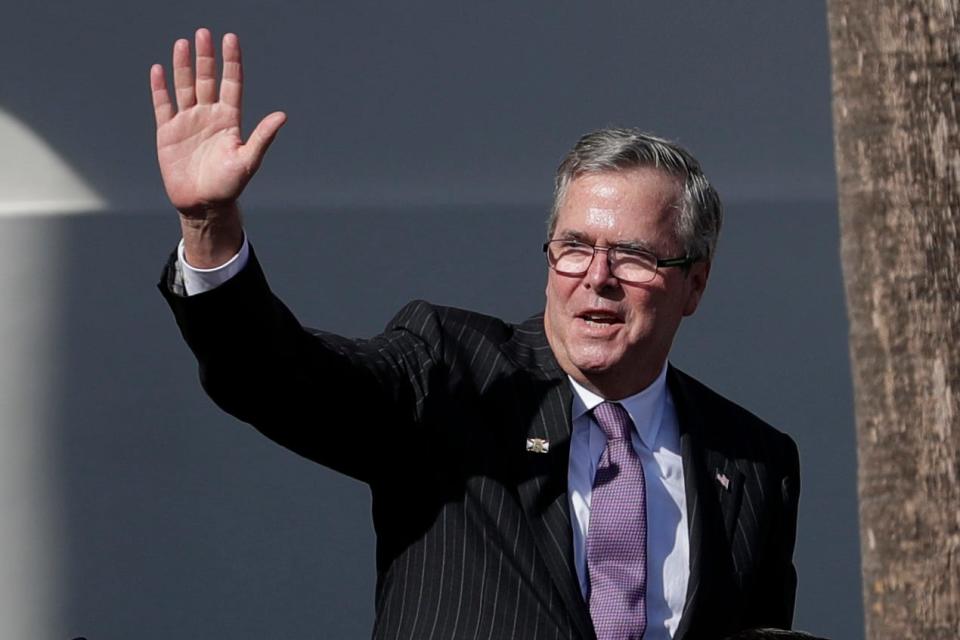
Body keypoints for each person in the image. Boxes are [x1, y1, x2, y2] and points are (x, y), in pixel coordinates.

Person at [153, 28, 800, 640]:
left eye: (633, 256)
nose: (596, 277)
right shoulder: (454, 373)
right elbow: (277, 379)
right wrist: (209, 226)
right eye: (574, 247)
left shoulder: (753, 462)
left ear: (695, 283)